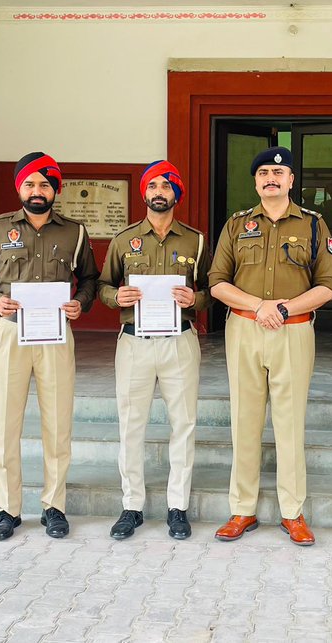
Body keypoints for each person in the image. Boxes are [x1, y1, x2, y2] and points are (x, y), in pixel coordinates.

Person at [0, 151, 99, 541]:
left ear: (55, 189)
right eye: (30, 183)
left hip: (55, 336)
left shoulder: (73, 232)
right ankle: (8, 508)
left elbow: (89, 278)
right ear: (19, 187)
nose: (37, 191)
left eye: (44, 184)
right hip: (10, 333)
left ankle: (54, 506)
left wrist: (81, 302)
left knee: (57, 423)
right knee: (6, 423)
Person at [208, 146, 332, 546]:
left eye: (278, 173)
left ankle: (292, 512)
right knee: (244, 421)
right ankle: (242, 509)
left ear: (291, 180)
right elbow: (216, 282)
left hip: (293, 332)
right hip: (245, 329)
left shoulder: (316, 225)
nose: (271, 178)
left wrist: (283, 309)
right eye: (263, 172)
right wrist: (259, 306)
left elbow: (328, 287)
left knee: (290, 422)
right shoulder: (236, 225)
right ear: (255, 181)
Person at [98, 160, 210, 541]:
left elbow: (213, 290)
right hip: (134, 342)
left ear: (176, 193)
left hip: (180, 339)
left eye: (166, 186)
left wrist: (196, 297)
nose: (159, 192)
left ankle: (177, 507)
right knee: (132, 425)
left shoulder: (195, 240)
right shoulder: (124, 239)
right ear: (144, 193)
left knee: (184, 423)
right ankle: (132, 506)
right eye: (153, 186)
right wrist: (117, 295)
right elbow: (101, 286)